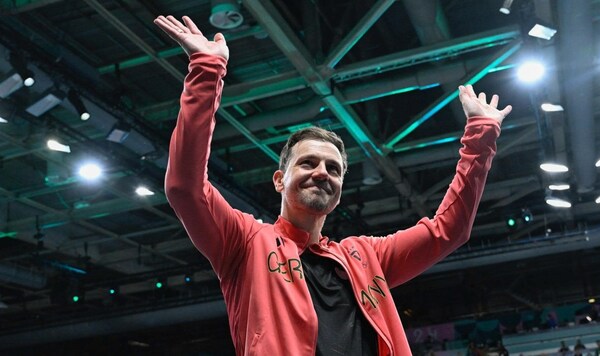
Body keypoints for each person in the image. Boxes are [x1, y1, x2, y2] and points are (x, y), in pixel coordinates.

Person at [156, 14, 512, 356]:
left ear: (340, 189)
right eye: (307, 163)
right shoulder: (244, 242)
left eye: (333, 168)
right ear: (279, 180)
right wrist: (206, 69)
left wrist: (480, 137)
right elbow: (185, 187)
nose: (322, 172)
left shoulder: (367, 256)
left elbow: (448, 231)